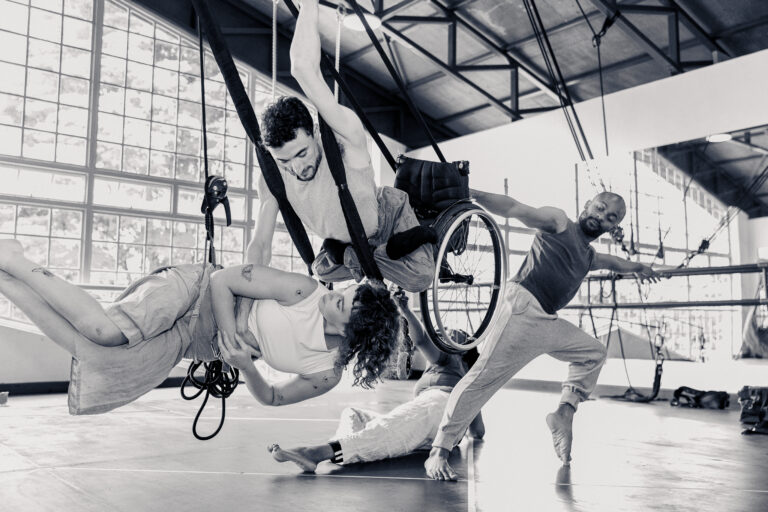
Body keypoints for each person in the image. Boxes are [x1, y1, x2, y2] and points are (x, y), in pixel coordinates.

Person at [0, 238, 399, 414]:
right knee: (106, 333)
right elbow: (222, 279)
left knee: (94, 355)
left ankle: (4, 277)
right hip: (194, 292)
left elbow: (274, 398)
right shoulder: (305, 291)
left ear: (351, 333)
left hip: (195, 341)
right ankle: (14, 258)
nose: (335, 292)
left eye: (342, 302)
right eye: (346, 289)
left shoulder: (325, 373)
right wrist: (230, 335)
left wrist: (245, 366)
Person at [424, 190, 661, 480]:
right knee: (482, 380)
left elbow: (616, 263)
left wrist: (640, 268)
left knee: (594, 353)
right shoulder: (559, 222)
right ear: (587, 205)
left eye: (611, 217)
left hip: (547, 321)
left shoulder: (588, 256)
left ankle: (564, 414)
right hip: (522, 309)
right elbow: (514, 207)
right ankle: (439, 451)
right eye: (599, 208)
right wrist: (471, 194)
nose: (601, 217)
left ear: (613, 227)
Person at [247, 0, 435, 293]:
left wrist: (308, 5)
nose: (296, 167)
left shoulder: (342, 136)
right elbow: (260, 244)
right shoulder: (272, 176)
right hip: (346, 243)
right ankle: (361, 257)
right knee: (319, 270)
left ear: (314, 132)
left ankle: (377, 252)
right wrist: (246, 293)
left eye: (302, 153)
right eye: (284, 161)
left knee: (420, 278)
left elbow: (303, 70)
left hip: (385, 220)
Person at [267, 291, 484, 472]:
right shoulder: (448, 374)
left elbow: (421, 339)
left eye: (450, 334)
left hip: (437, 407)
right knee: (354, 414)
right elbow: (478, 432)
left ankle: (317, 452)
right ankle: (339, 447)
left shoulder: (452, 362)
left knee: (390, 425)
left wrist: (405, 310)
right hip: (429, 418)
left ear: (463, 351)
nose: (442, 335)